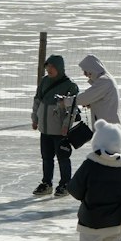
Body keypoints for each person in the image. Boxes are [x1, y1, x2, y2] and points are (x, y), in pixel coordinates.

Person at [32, 54, 79, 197]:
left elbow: (72, 109)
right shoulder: (44, 81)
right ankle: (47, 183)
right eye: (47, 67)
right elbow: (37, 100)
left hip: (60, 131)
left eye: (52, 67)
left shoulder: (70, 85)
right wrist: (35, 118)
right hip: (45, 129)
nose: (49, 70)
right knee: (46, 157)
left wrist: (66, 126)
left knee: (63, 157)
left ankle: (65, 184)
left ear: (59, 68)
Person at [75, 54, 121, 125]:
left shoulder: (104, 81)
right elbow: (104, 102)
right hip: (107, 127)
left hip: (108, 129)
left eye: (85, 71)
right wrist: (92, 104)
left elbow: (85, 97)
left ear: (91, 69)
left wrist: (67, 101)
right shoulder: (106, 79)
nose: (84, 74)